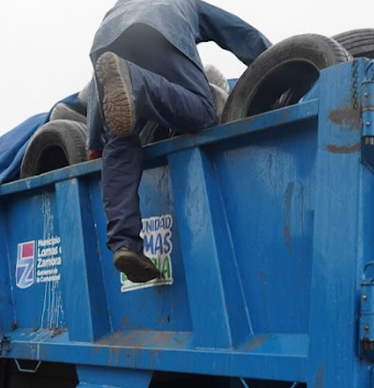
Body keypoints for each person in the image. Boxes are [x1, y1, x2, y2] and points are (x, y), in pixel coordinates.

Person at [87, 0, 270, 283]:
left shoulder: (121, 6)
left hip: (105, 39)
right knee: (204, 112)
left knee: (121, 140)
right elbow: (237, 31)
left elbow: (101, 85)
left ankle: (124, 244)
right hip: (161, 28)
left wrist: (94, 140)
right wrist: (275, 61)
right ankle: (138, 82)